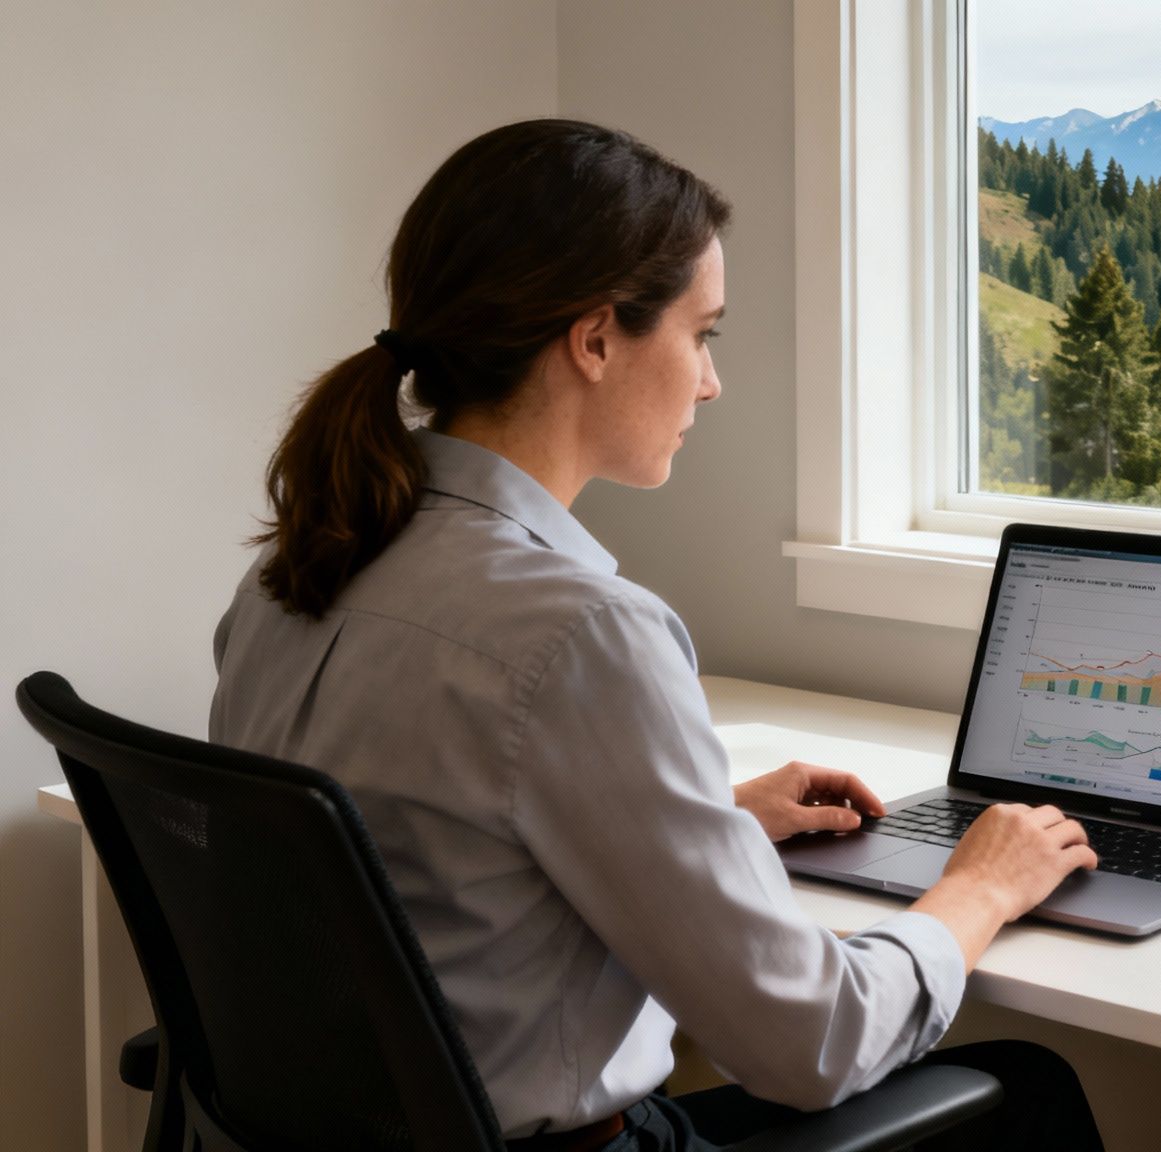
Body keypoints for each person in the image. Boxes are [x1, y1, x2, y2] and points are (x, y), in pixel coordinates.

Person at [208, 119, 1104, 1152]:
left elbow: (414, 851)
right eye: (702, 332)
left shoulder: (298, 567)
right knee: (1024, 1090)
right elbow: (812, 1044)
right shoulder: (578, 633)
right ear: (593, 340)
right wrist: (976, 889)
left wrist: (686, 828)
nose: (711, 381)